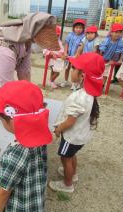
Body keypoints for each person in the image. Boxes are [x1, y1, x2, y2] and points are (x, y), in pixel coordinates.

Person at [0, 80, 53, 212]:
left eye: (1, 119)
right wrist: (1, 166)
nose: (1, 122)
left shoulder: (16, 154)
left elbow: (4, 191)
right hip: (33, 203)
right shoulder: (38, 134)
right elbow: (25, 166)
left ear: (13, 121)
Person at [49, 53, 104, 193]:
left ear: (82, 76)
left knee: (65, 158)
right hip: (81, 135)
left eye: (74, 68)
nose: (71, 70)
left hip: (72, 136)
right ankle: (73, 174)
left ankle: (67, 185)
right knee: (71, 155)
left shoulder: (79, 97)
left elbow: (69, 121)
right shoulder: (89, 93)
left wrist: (58, 129)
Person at [60, 18, 86, 89]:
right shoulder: (70, 35)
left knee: (75, 69)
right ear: (73, 28)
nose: (78, 29)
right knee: (67, 68)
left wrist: (77, 55)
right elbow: (66, 44)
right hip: (69, 55)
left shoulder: (83, 36)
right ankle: (65, 80)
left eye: (80, 28)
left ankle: (74, 83)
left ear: (83, 29)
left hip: (77, 56)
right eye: (76, 27)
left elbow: (81, 46)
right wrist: (65, 52)